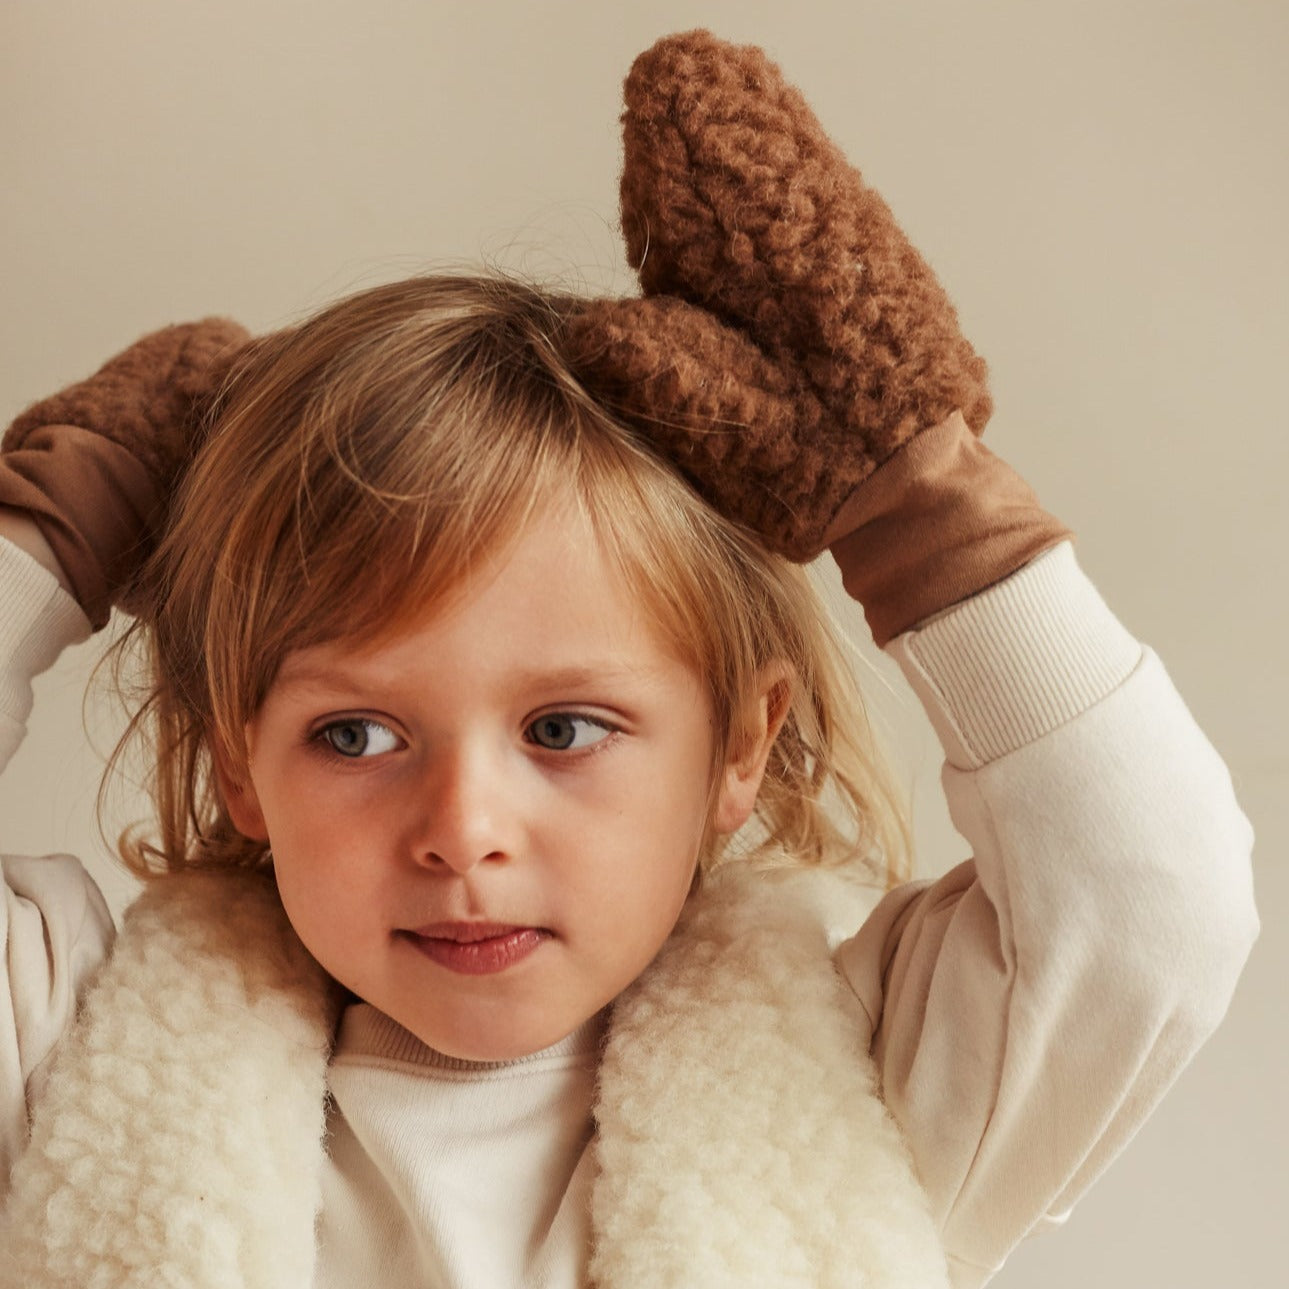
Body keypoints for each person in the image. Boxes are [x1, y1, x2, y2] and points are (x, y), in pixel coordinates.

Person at [0, 30, 1257, 1289]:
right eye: (356, 734)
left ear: (740, 744)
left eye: (562, 728)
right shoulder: (75, 1058)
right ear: (238, 757)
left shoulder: (870, 1086)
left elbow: (1149, 902)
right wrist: (47, 532)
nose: (462, 831)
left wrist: (919, 503)